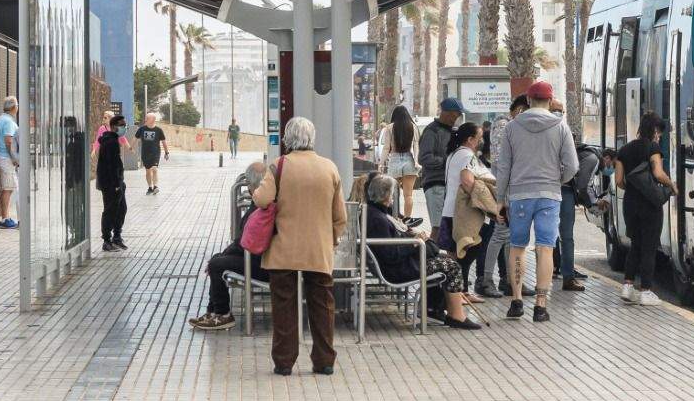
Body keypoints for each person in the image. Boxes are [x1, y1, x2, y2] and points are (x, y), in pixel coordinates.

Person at [253, 116, 345, 376]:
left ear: (287, 139)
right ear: (311, 138)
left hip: (284, 249)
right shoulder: (329, 168)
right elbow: (340, 216)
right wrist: (331, 239)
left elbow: (262, 200)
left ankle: (284, 361)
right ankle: (324, 360)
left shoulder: (279, 166)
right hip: (318, 249)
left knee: (284, 307)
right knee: (323, 306)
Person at [495, 81, 578, 323]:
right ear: (551, 102)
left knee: (518, 246)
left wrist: (501, 198)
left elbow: (504, 167)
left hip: (519, 195)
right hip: (549, 196)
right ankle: (540, 306)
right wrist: (556, 179)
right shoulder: (560, 126)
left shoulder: (512, 127)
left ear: (528, 101)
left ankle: (517, 301)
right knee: (545, 247)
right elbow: (572, 165)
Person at [364, 173, 482, 330]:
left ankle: (432, 307)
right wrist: (414, 244)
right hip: (396, 269)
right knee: (451, 266)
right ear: (385, 195)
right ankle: (456, 315)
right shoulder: (378, 218)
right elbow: (390, 254)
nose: (393, 198)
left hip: (395, 265)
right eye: (392, 193)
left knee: (441, 258)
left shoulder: (375, 213)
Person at [189, 161, 271, 330]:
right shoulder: (263, 202)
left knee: (217, 264)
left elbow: (245, 242)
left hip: (261, 264)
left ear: (251, 186)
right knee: (217, 260)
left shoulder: (262, 206)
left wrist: (225, 255)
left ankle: (222, 313)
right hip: (258, 259)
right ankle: (213, 311)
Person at [614, 112, 676, 305]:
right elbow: (658, 173)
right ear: (656, 130)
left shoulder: (623, 150)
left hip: (630, 204)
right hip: (649, 205)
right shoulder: (653, 148)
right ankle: (646, 291)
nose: (660, 136)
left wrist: (633, 188)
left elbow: (619, 181)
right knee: (649, 247)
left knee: (636, 245)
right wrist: (672, 185)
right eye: (660, 132)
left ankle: (627, 286)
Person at [477, 96, 531, 298]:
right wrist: (503, 196)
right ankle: (486, 280)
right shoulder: (503, 125)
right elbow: (501, 162)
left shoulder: (514, 127)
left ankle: (511, 280)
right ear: (519, 109)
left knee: (509, 237)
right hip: (506, 188)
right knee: (500, 234)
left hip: (513, 187)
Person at [447, 122, 497, 299]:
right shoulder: (467, 156)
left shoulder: (454, 154)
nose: (482, 141)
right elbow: (468, 181)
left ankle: (461, 293)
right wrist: (487, 203)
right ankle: (458, 294)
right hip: (465, 213)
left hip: (451, 211)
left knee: (458, 253)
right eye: (479, 137)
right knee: (466, 252)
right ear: (470, 139)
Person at [551, 98, 587, 293]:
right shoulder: (553, 132)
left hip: (562, 189)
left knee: (565, 236)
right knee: (549, 236)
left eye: (561, 110)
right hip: (554, 189)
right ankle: (552, 273)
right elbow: (571, 166)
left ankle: (567, 276)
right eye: (555, 110)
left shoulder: (565, 132)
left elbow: (572, 165)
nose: (559, 114)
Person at [416, 97, 463, 227]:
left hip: (449, 185)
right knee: (438, 227)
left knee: (449, 229)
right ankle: (431, 248)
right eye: (455, 115)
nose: (456, 118)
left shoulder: (453, 131)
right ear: (446, 113)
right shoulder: (432, 131)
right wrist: (446, 162)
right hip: (436, 184)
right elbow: (423, 158)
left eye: (459, 115)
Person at [377, 105, 420, 221]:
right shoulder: (413, 127)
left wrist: (381, 163)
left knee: (393, 194)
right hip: (409, 160)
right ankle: (407, 219)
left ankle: (394, 218)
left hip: (394, 160)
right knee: (408, 195)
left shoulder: (389, 128)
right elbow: (416, 146)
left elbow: (386, 148)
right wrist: (416, 161)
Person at [95, 114, 130, 251]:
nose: (124, 127)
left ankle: (117, 236)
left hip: (117, 183)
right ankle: (107, 240)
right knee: (110, 211)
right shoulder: (110, 142)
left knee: (121, 209)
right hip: (110, 185)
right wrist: (116, 185)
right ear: (115, 127)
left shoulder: (114, 140)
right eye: (122, 125)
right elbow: (111, 166)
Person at [0, 96, 21, 229]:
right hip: (7, 158)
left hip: (3, 157)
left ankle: (5, 218)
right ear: (13, 107)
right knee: (8, 189)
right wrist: (14, 158)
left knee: (9, 188)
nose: (18, 108)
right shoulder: (9, 122)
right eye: (17, 105)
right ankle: (5, 220)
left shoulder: (2, 119)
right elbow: (9, 141)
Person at [135, 112, 169, 196]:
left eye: (147, 118)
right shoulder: (141, 129)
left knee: (154, 169)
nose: (145, 119)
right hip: (145, 153)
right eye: (145, 118)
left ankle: (155, 186)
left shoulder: (158, 130)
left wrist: (166, 152)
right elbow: (135, 138)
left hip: (155, 153)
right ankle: (150, 187)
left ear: (152, 120)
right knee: (148, 171)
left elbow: (164, 142)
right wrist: (131, 148)